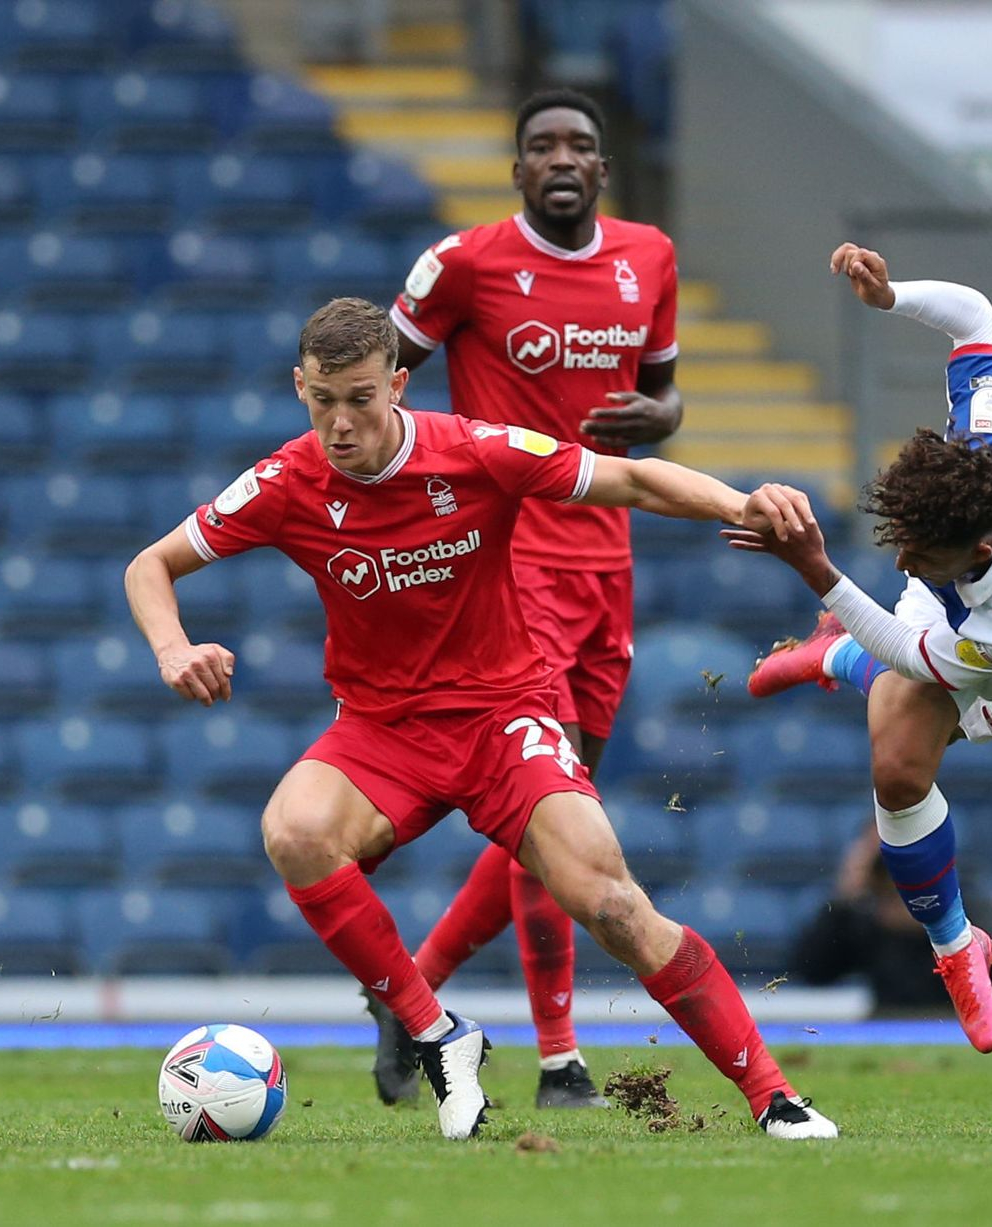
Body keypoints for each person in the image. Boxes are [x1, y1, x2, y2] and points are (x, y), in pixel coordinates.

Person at [124, 297, 835, 1142]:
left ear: (398, 383)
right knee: (294, 831)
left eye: (360, 398)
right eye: (322, 401)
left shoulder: (473, 451)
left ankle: (775, 1097)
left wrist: (742, 503)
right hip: (382, 730)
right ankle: (436, 1034)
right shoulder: (286, 483)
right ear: (298, 387)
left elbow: (633, 478)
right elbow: (151, 565)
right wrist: (172, 650)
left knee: (610, 904)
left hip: (506, 716)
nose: (340, 423)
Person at [377, 87, 684, 1110]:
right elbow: (377, 386)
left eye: (581, 144)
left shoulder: (650, 257)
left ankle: (408, 992)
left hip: (609, 565)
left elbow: (666, 396)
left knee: (560, 819)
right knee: (548, 811)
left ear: (603, 168)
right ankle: (559, 1062)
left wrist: (660, 412)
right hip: (513, 569)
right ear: (516, 170)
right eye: (542, 144)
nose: (562, 156)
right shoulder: (462, 265)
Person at [726, 244, 992, 1054]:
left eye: (915, 553)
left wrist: (818, 574)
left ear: (970, 550)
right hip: (951, 605)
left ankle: (829, 654)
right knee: (896, 772)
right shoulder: (983, 437)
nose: (898, 561)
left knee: (896, 696)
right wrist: (891, 296)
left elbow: (907, 653)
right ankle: (957, 949)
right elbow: (974, 312)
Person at [789, 828, 992, 1016]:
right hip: (887, 1023)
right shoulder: (865, 918)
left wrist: (934, 916)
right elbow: (812, 969)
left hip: (958, 1021)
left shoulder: (963, 903)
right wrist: (847, 892)